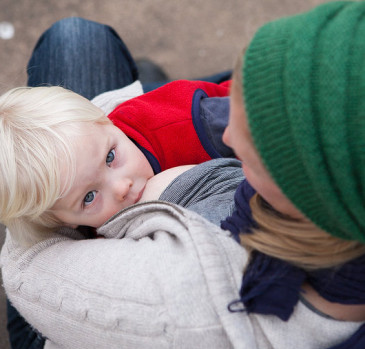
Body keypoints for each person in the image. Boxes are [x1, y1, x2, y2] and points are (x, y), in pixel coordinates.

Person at [4, 0, 365, 349]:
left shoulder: (195, 298)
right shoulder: (323, 241)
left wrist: (32, 214)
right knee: (78, 37)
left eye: (255, 149)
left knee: (75, 38)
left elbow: (26, 263)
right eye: (88, 197)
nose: (122, 187)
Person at [0, 84, 232, 247]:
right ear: (63, 222)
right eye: (89, 197)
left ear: (108, 121)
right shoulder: (89, 239)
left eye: (110, 157)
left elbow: (260, 128)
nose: (121, 187)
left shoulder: (195, 125)